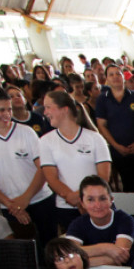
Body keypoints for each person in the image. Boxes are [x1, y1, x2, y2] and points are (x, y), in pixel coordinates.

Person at [0, 85, 56, 248]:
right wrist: (11, 204)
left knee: (50, 245)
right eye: (1, 110)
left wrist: (25, 198)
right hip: (9, 203)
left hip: (40, 198)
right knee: (24, 249)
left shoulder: (27, 132)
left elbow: (42, 167)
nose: (7, 114)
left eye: (9, 110)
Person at [40, 90, 111, 230]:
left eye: (48, 107)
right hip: (66, 207)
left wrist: (84, 199)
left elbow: (103, 176)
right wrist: (75, 198)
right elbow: (51, 178)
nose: (45, 112)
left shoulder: (95, 138)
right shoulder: (45, 141)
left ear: (64, 109)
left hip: (98, 205)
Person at [65, 176, 134, 266]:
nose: (97, 205)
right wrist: (105, 248)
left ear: (111, 200)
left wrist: (79, 261)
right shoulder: (78, 224)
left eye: (102, 198)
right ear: (82, 203)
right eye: (90, 200)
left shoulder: (125, 219)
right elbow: (68, 253)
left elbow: (120, 256)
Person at [94, 64, 134, 192]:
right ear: (106, 79)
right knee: (128, 184)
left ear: (124, 77)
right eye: (111, 74)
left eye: (118, 73)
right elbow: (102, 125)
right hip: (119, 150)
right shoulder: (102, 99)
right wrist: (116, 146)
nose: (115, 77)